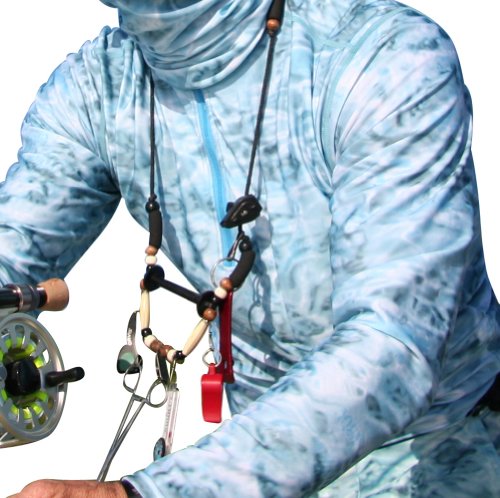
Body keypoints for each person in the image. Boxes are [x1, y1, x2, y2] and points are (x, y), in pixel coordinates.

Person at [5, 0, 500, 496]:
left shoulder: (384, 55)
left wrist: (151, 493)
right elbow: (13, 257)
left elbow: (391, 346)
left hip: (446, 454)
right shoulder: (97, 89)